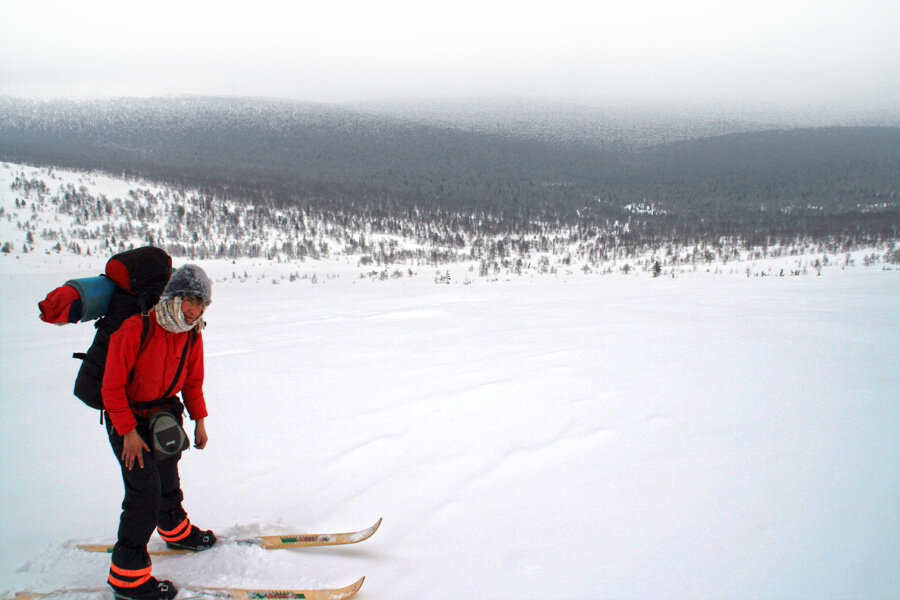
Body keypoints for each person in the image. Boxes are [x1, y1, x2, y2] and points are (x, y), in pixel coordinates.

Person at [102, 263, 216, 600]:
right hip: (127, 420)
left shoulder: (192, 333)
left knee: (168, 477)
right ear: (172, 297)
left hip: (163, 416)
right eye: (189, 301)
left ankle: (176, 531)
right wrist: (127, 432)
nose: (195, 310)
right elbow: (111, 388)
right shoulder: (135, 328)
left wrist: (199, 420)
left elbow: (193, 381)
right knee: (144, 495)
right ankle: (127, 579)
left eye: (202, 304)